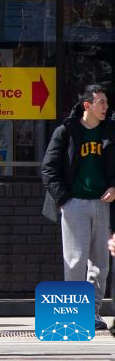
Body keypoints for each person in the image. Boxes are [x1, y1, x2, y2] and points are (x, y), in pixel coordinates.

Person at [41, 84, 115, 332]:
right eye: (101, 102)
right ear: (87, 105)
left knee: (101, 263)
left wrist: (114, 187)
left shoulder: (110, 131)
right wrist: (64, 199)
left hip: (103, 204)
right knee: (75, 261)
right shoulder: (66, 131)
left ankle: (92, 313)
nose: (105, 107)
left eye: (106, 102)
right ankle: (75, 315)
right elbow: (49, 168)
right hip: (75, 204)